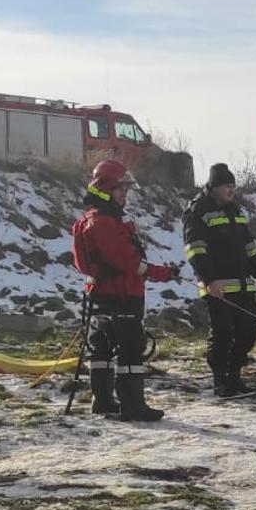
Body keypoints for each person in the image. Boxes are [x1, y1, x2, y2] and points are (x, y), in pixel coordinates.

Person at [71, 159, 175, 422]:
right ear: (106, 188)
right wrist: (160, 272)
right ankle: (133, 406)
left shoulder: (88, 221)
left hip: (100, 295)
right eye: (121, 190)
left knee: (102, 350)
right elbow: (127, 261)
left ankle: (103, 401)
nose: (124, 195)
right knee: (129, 351)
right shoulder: (104, 223)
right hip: (122, 295)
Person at [183, 163, 256, 397]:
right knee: (222, 333)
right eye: (227, 186)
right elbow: (195, 249)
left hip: (243, 284)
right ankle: (220, 381)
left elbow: (249, 245)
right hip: (217, 285)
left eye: (233, 186)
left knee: (248, 330)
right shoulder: (198, 210)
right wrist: (209, 280)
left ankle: (235, 376)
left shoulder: (236, 210)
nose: (232, 190)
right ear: (215, 186)